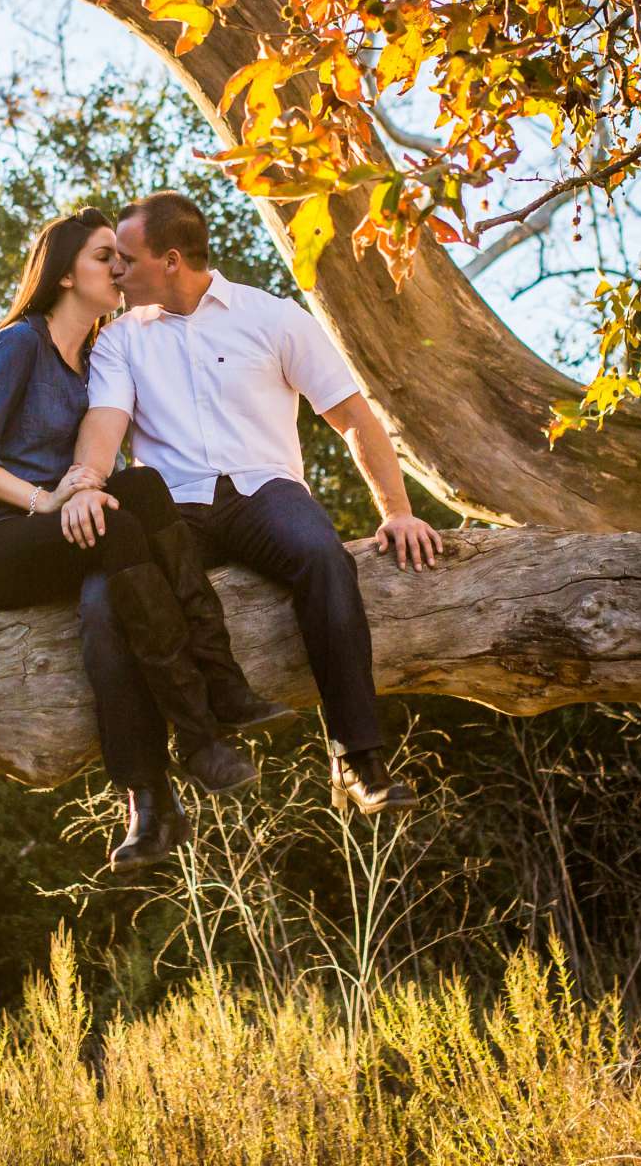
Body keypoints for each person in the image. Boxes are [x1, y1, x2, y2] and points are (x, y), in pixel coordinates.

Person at [60, 190, 443, 816]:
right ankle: (149, 803)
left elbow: (353, 417)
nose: (118, 273)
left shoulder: (273, 317)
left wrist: (396, 510)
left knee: (324, 557)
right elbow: (105, 423)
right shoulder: (120, 341)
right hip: (173, 508)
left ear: (173, 260)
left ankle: (357, 760)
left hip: (266, 494)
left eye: (128, 259)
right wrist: (86, 484)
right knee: (104, 603)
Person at [0, 207, 292, 872]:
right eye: (106, 256)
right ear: (66, 272)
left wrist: (83, 495)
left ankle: (155, 799)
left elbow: (100, 478)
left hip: (72, 541)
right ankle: (201, 725)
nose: (120, 268)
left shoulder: (94, 364)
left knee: (129, 537)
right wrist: (49, 501)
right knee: (122, 524)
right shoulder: (19, 344)